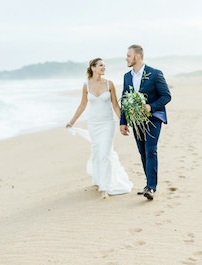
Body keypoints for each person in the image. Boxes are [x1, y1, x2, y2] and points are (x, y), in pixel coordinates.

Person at [66, 58, 133, 199]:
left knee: (105, 153)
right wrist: (71, 122)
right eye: (101, 65)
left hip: (108, 123)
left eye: (104, 66)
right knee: (96, 153)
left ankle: (105, 187)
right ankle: (98, 180)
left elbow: (115, 105)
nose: (104, 68)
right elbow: (82, 105)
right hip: (94, 125)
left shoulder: (109, 84)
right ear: (93, 68)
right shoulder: (86, 85)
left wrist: (123, 122)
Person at [120, 44, 171, 201]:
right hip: (136, 122)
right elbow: (124, 100)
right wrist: (123, 122)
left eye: (129, 55)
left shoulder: (155, 74)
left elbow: (166, 96)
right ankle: (148, 184)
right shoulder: (127, 77)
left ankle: (151, 187)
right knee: (142, 152)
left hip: (154, 118)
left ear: (137, 56)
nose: (126, 58)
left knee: (150, 150)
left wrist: (151, 106)